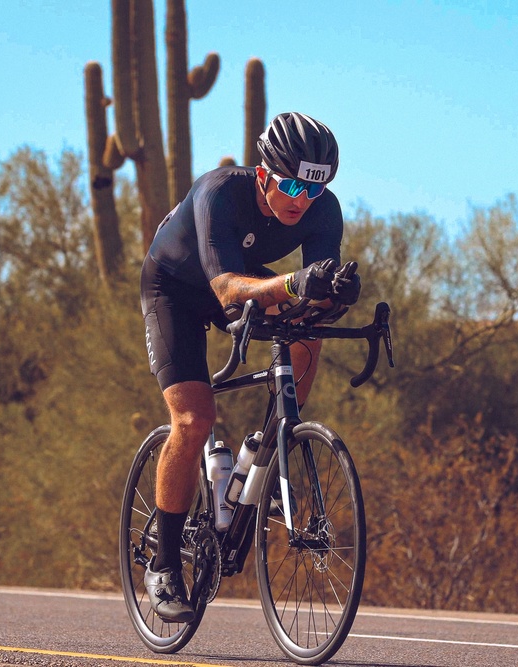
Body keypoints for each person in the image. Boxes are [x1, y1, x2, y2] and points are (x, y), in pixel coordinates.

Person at [139, 112, 360, 622]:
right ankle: (165, 562)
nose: (300, 199)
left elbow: (314, 286)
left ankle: (276, 441)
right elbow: (226, 289)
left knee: (308, 324)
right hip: (177, 288)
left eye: (314, 187)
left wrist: (335, 298)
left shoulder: (323, 211)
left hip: (249, 282)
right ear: (264, 173)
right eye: (289, 185)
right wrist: (294, 285)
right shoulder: (220, 192)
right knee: (194, 420)